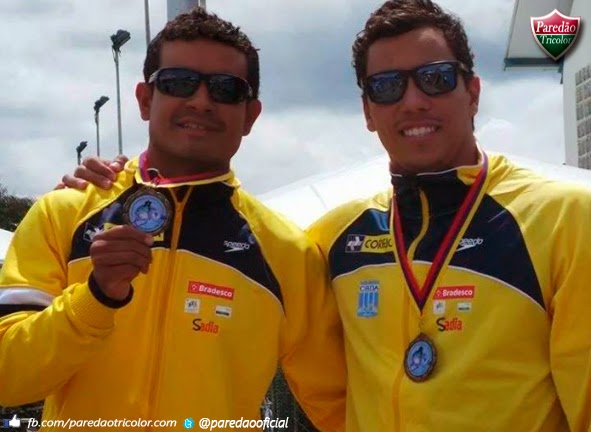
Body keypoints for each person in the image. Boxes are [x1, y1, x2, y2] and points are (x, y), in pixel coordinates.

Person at [60, 1, 591, 431]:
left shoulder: (567, 219)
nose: (411, 101)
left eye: (434, 78)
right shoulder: (330, 240)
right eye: (386, 87)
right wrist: (120, 181)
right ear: (366, 111)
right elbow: (328, 395)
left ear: (471, 92)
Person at [0, 8, 347, 432]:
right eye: (179, 82)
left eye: (225, 89)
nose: (201, 100)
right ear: (146, 100)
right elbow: (8, 379)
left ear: (250, 115)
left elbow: (340, 409)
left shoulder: (288, 253)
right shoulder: (63, 213)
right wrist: (95, 298)